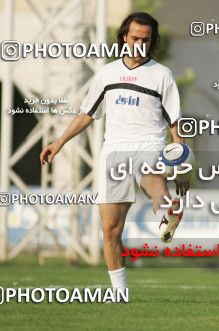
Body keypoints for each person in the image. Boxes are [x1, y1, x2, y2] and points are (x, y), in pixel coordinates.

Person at [39, 12, 188, 297]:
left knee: (152, 177)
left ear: (152, 42)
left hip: (149, 145)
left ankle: (169, 209)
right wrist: (59, 142)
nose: (139, 44)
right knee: (110, 229)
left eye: (146, 40)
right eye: (134, 38)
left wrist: (180, 166)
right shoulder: (106, 74)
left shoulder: (162, 76)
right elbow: (87, 114)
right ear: (123, 37)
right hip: (114, 151)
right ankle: (119, 293)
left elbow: (175, 126)